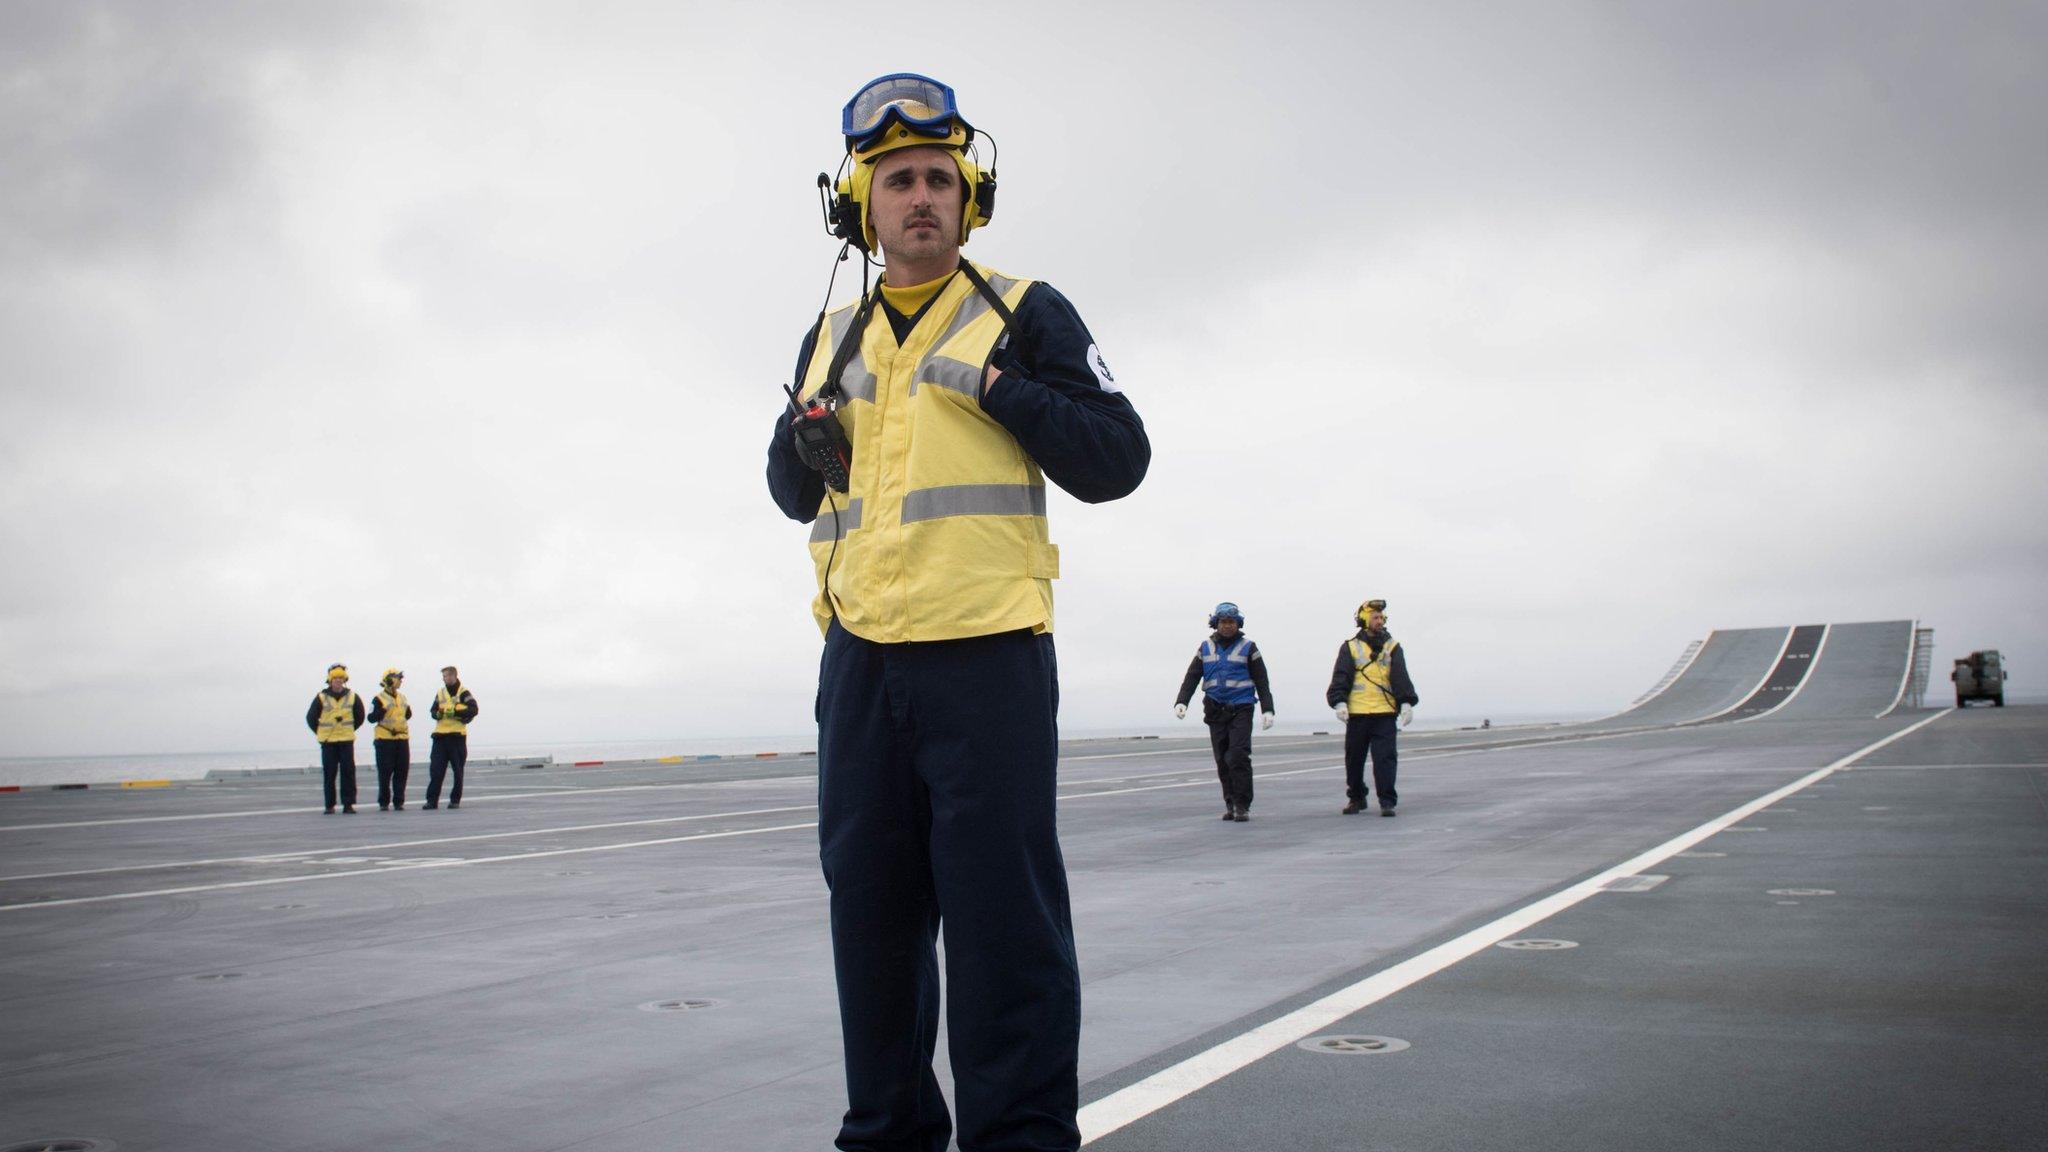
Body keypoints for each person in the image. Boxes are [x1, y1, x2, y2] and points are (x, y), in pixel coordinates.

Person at [765, 73, 1149, 1152]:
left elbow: (1118, 458)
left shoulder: (1023, 313)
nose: (919, 195)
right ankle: (882, 1134)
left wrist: (1002, 393)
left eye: (938, 177)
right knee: (871, 921)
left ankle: (1019, 1141)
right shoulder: (828, 335)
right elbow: (794, 494)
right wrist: (796, 448)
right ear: (860, 206)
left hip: (985, 659)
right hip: (859, 664)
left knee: (1001, 929)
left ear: (967, 198)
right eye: (897, 181)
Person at [1172, 601, 1275, 822]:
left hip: (1241, 708)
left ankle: (1242, 805)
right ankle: (1230, 802)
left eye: (1231, 622)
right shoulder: (1205, 647)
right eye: (1223, 622)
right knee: (1222, 759)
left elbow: (1261, 680)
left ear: (1238, 623)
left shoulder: (1249, 648)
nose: (1227, 626)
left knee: (1238, 755)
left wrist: (1268, 709)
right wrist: (1182, 701)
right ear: (1216, 624)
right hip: (1215, 710)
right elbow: (1192, 676)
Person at [1325, 599, 1419, 816]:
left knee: (1385, 759)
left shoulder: (1392, 646)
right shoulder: (1350, 647)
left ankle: (1387, 801)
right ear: (1365, 620)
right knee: (1354, 760)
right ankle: (1356, 797)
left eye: (1382, 617)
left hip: (1384, 713)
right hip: (1357, 713)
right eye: (1375, 617)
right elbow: (1341, 676)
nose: (1380, 621)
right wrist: (1339, 702)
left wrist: (1405, 702)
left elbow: (1400, 676)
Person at [305, 663, 363, 814]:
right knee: (329, 774)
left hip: (346, 741)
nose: (338, 680)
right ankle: (329, 805)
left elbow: (360, 716)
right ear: (330, 680)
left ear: (344, 680)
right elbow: (311, 718)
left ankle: (348, 804)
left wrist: (348, 729)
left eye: (340, 678)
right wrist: (321, 733)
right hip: (328, 742)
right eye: (335, 678)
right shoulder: (321, 697)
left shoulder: (352, 697)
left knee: (348, 773)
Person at [423, 665, 477, 810]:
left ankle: (455, 800)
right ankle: (432, 800)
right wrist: (437, 714)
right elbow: (433, 710)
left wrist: (458, 713)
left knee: (458, 771)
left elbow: (473, 709)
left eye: (446, 676)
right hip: (440, 737)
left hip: (456, 737)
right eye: (443, 676)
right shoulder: (440, 693)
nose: (444, 678)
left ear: (453, 676)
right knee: (436, 770)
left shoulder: (463, 693)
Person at [367, 668, 413, 811]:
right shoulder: (378, 699)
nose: (400, 681)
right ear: (389, 680)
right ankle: (384, 802)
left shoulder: (402, 697)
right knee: (385, 772)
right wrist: (382, 711)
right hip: (385, 740)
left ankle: (399, 801)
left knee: (402, 771)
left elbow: (408, 714)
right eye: (398, 678)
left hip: (401, 739)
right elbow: (371, 717)